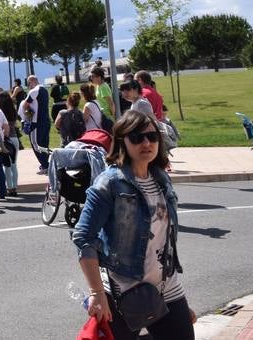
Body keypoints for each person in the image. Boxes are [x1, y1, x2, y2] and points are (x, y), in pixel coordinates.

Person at [73, 111, 196, 339]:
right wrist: (97, 293)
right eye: (137, 137)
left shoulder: (161, 179)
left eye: (152, 136)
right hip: (123, 293)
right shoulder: (109, 183)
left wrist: (179, 307)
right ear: (122, 142)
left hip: (166, 288)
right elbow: (84, 237)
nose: (146, 143)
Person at [0, 89, 20, 199]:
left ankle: (9, 187)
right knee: (13, 164)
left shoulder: (0, 112)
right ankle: (14, 187)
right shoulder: (13, 111)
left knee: (6, 166)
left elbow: (3, 128)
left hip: (6, 139)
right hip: (15, 139)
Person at [26, 74, 52, 173]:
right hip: (46, 120)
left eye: (29, 83)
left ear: (32, 81)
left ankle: (45, 165)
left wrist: (27, 117)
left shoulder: (34, 91)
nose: (29, 86)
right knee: (44, 144)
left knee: (36, 144)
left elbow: (25, 105)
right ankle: (46, 163)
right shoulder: (45, 90)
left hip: (36, 122)